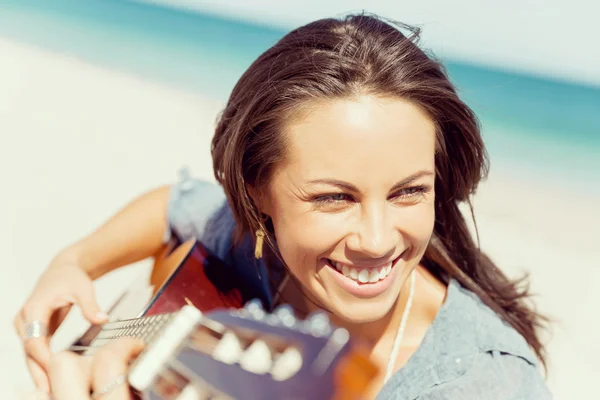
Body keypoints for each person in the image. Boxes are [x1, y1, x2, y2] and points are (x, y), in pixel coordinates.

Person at [14, 13, 553, 399]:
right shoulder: (258, 246)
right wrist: (74, 262)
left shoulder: (485, 383)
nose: (377, 238)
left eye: (408, 191)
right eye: (333, 197)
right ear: (258, 195)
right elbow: (174, 204)